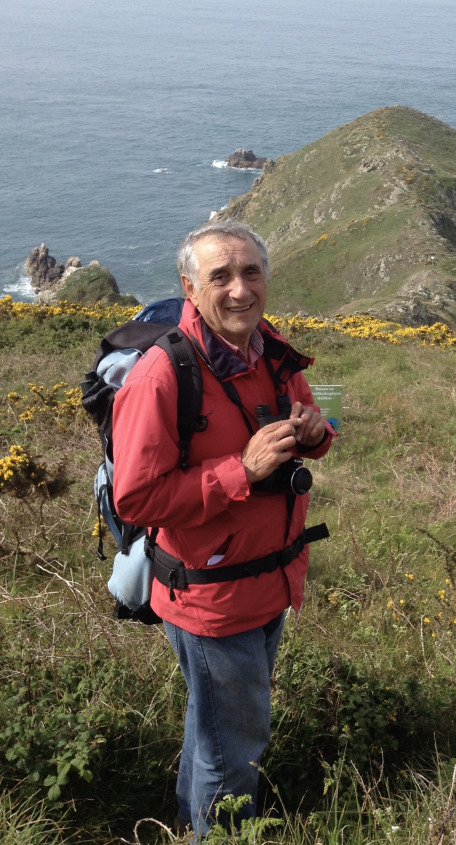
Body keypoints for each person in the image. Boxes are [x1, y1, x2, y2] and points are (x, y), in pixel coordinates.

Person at [112, 221, 334, 837]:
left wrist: (315, 435)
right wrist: (242, 469)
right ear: (189, 287)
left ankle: (190, 823)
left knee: (213, 729)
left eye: (251, 272)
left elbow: (308, 419)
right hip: (210, 596)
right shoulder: (161, 376)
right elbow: (138, 499)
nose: (240, 290)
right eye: (220, 277)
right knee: (233, 749)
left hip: (270, 581)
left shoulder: (271, 352)